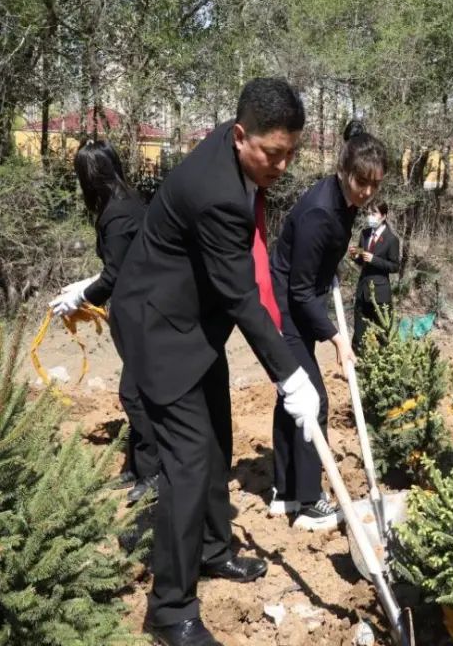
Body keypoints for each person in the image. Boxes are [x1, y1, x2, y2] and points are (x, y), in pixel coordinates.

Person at [110, 78, 321, 646]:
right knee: (187, 461)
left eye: (290, 153)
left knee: (217, 442)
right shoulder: (219, 194)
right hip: (159, 329)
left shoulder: (232, 159)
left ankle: (211, 548)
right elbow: (242, 297)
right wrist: (291, 374)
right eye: (271, 153)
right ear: (239, 135)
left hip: (193, 323)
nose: (280, 165)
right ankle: (170, 609)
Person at [269, 132, 389, 529]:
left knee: (292, 396)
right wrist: (337, 337)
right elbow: (300, 291)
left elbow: (315, 262)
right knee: (311, 398)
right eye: (361, 182)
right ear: (343, 172)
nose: (367, 191)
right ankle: (307, 502)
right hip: (286, 309)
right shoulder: (321, 212)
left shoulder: (344, 202)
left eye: (375, 184)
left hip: (298, 302)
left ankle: (284, 491)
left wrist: (328, 267)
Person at [49, 139, 160, 503]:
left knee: (135, 393)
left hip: (143, 313)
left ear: (88, 177)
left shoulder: (116, 215)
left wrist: (81, 298)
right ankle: (135, 467)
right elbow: (122, 264)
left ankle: (153, 473)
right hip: (139, 308)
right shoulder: (126, 202)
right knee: (137, 390)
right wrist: (82, 285)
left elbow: (114, 276)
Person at [349, 200, 400, 352]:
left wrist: (374, 259)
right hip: (362, 290)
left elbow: (395, 266)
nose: (370, 217)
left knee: (382, 336)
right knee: (359, 335)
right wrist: (355, 255)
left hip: (380, 293)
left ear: (383, 216)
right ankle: (358, 366)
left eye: (374, 213)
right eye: (368, 213)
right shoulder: (364, 234)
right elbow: (362, 261)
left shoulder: (392, 239)